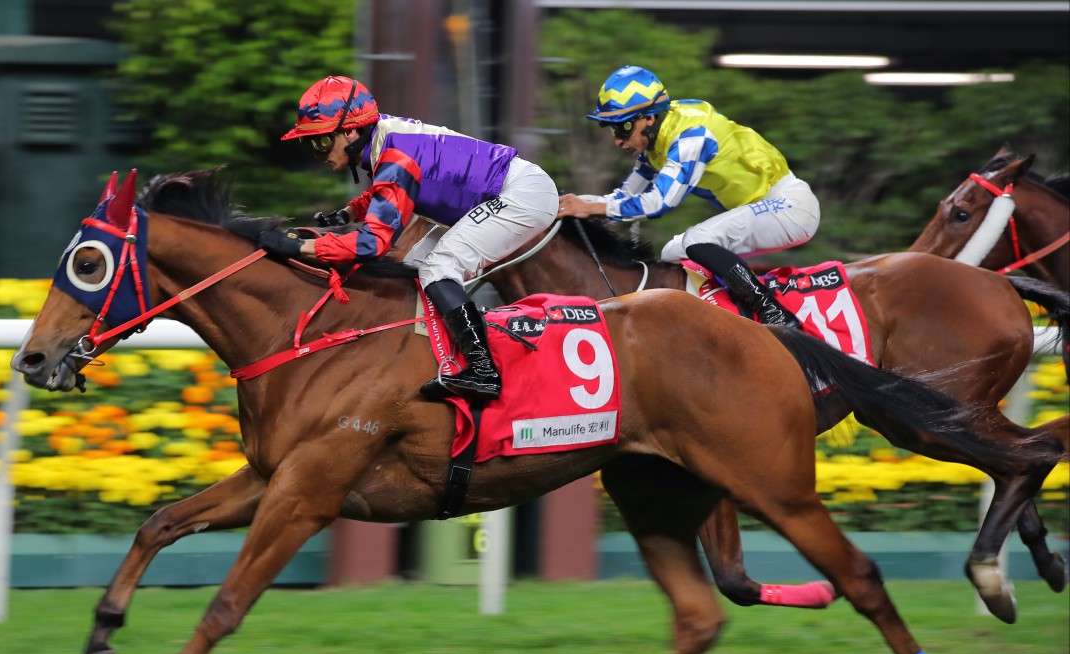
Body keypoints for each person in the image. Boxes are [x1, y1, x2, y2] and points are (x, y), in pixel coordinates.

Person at [261, 75, 559, 402]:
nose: (319, 154)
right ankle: (431, 357)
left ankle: (483, 370)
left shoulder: (395, 155)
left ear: (349, 131)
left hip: (520, 194)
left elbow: (371, 244)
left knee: (438, 269)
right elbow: (389, 188)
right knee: (415, 264)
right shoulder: (381, 137)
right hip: (493, 194)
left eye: (321, 142)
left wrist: (301, 246)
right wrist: (346, 214)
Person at [558, 65, 820, 328]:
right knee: (672, 252)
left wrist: (590, 208)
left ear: (648, 118)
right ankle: (725, 313)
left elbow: (658, 203)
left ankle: (775, 315)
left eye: (623, 127)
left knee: (697, 240)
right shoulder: (657, 141)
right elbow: (623, 196)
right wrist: (571, 206)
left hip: (790, 206)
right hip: (764, 207)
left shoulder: (692, 136)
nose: (617, 140)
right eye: (612, 129)